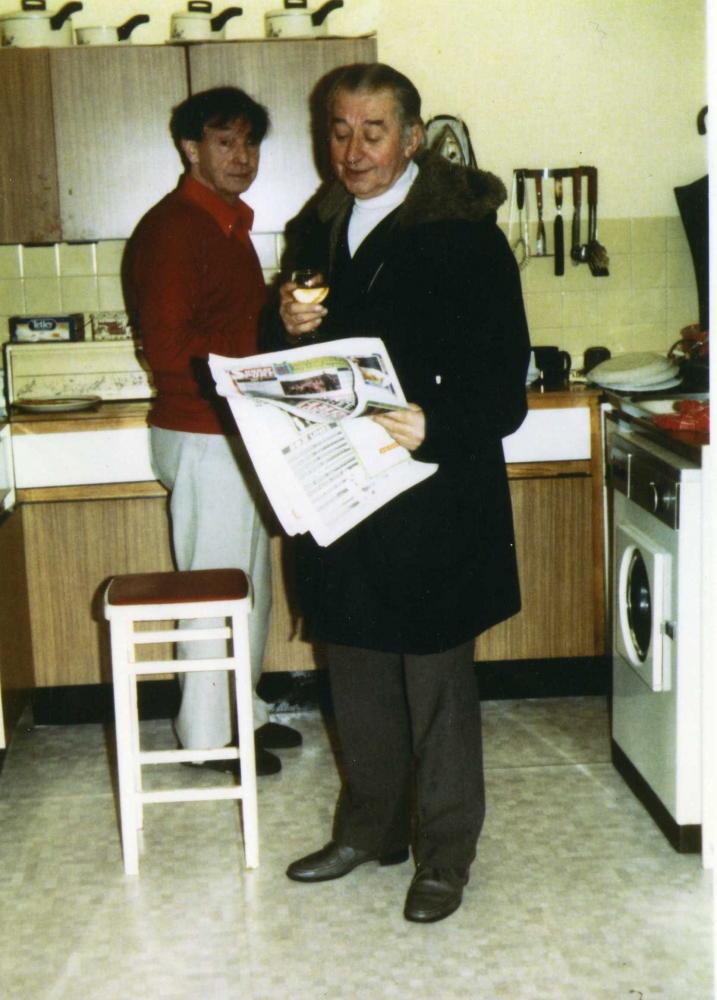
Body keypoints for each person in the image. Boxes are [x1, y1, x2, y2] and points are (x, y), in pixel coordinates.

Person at [277, 63, 530, 921]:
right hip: (341, 487)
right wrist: (285, 324)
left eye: (372, 132)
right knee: (351, 662)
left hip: (429, 490)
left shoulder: (465, 235)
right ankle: (369, 830)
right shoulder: (315, 227)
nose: (352, 151)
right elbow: (294, 364)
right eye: (338, 132)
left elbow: (503, 390)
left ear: (413, 137)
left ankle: (444, 854)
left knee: (433, 680)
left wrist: (437, 421)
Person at [128, 86, 301, 775]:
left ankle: (243, 713)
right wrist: (260, 344)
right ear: (190, 149)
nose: (241, 157)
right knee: (214, 593)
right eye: (225, 143)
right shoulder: (176, 228)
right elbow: (169, 348)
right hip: (202, 432)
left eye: (250, 143)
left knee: (246, 585)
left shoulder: (226, 223)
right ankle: (205, 737)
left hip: (232, 428)